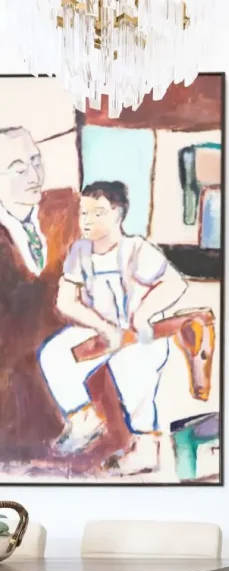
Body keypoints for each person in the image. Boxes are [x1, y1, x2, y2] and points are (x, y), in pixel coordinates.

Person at [40, 181, 188, 476]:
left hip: (141, 335)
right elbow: (66, 300)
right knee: (54, 353)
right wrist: (101, 326)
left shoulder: (136, 249)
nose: (87, 221)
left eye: (98, 213)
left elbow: (175, 283)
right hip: (101, 331)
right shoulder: (80, 252)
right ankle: (82, 419)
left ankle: (146, 449)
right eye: (84, 213)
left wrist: (144, 314)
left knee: (132, 368)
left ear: (118, 215)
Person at [0, 126, 79, 460]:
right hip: (18, 387)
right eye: (18, 168)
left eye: (36, 160)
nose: (34, 175)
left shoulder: (70, 209)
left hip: (77, 347)